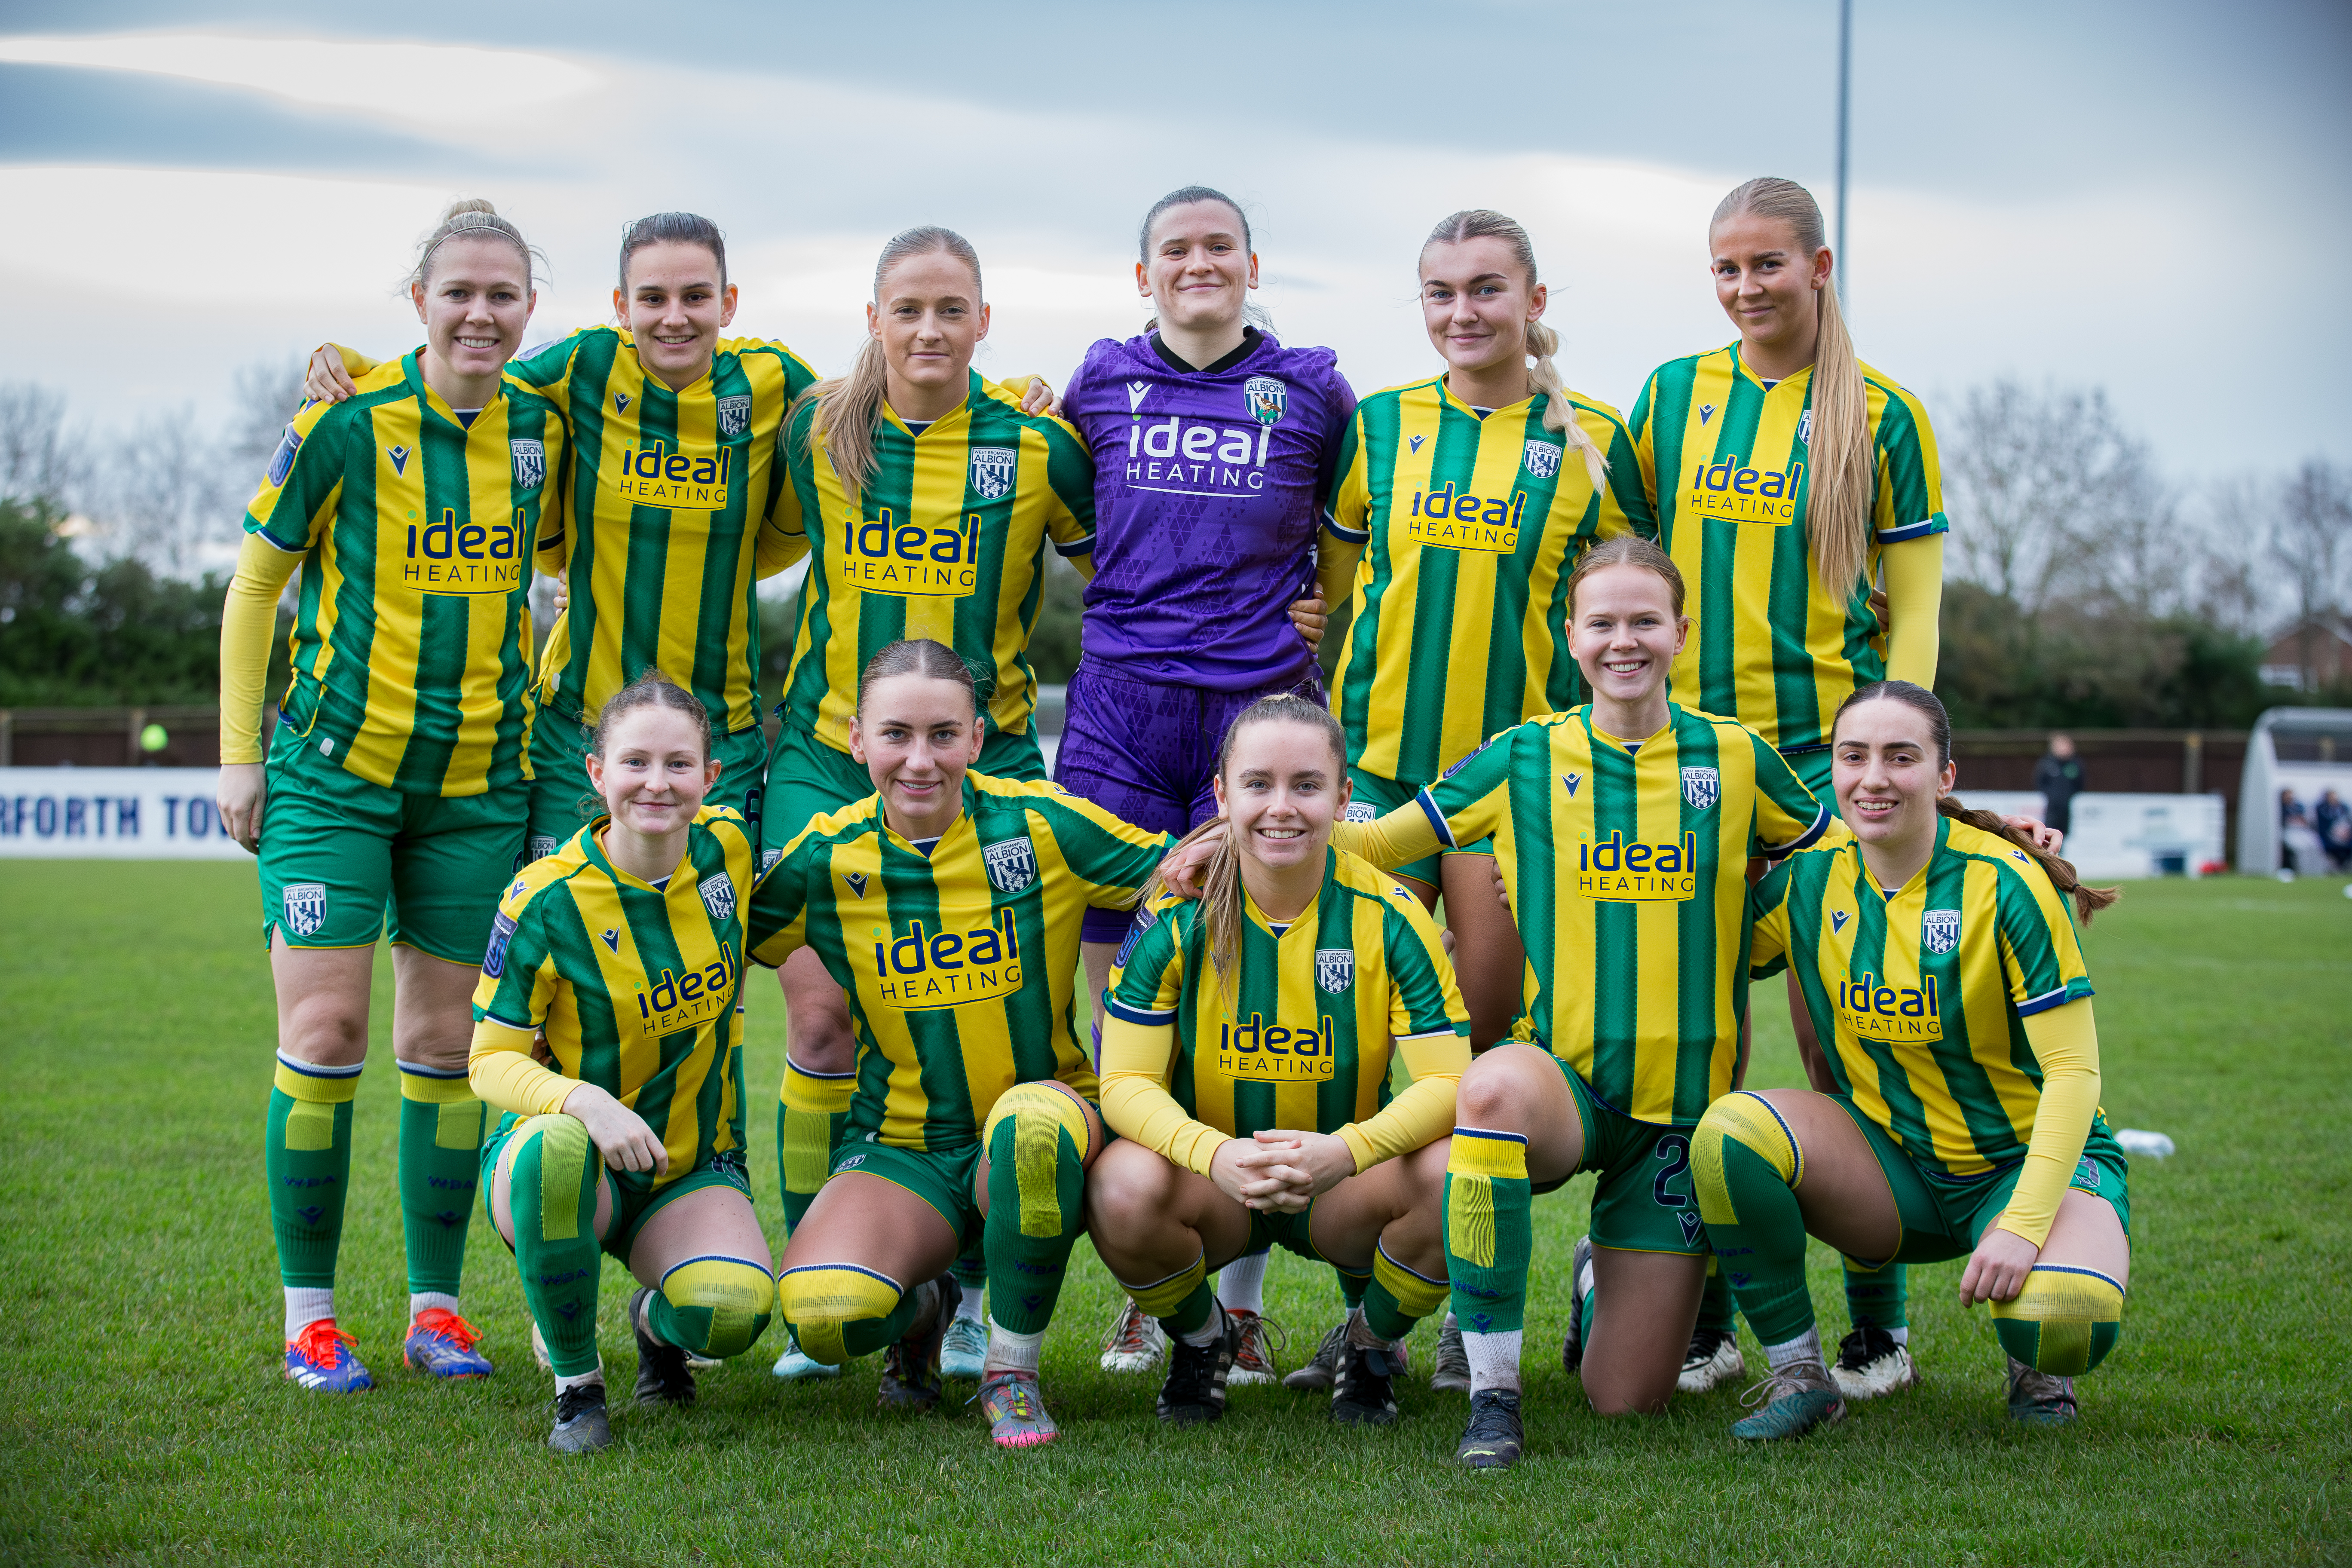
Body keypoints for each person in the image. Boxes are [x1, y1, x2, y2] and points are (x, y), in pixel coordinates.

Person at [1241, 537, 1831, 1467]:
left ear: (1682, 633)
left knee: (1622, 1402)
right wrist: (1230, 833)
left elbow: (1840, 861)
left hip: (1678, 1117)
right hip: (1565, 1081)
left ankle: (1601, 1278)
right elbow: (1384, 844)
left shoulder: (1739, 755)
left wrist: (1991, 842)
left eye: (1645, 622)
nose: (1623, 641)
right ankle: (1489, 1394)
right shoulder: (1523, 757)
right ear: (1573, 636)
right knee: (1488, 1095)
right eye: (1603, 623)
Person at [1298, 208, 1654, 1395]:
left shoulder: (1593, 439)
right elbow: (1337, 585)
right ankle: (1368, 1320)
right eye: (1442, 291)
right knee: (1359, 1048)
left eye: (1487, 289)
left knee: (1482, 1052)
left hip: (1511, 794)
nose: (1464, 311)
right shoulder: (1384, 424)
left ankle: (1465, 1303)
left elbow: (1622, 617)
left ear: (1534, 299)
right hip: (1382, 775)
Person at [218, 199, 564, 1392]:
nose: (480, 311)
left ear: (530, 311)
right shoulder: (345, 423)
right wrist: (237, 753)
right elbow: (255, 584)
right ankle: (309, 1317)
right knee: (325, 1036)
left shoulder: (543, 429)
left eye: (503, 294)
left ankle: (435, 1311)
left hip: (478, 790)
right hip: (334, 780)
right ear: (419, 300)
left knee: (443, 1048)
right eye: (458, 290)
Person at [1629, 175, 1951, 1401]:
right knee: (1703, 1039)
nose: (1747, 287)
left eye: (1768, 264)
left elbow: (1913, 606)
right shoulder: (1673, 395)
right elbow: (1621, 565)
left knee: (1842, 1036)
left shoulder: (1884, 413)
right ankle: (1708, 1311)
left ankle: (1879, 1322)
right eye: (1727, 268)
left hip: (1825, 760)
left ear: (1820, 266)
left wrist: (1895, 748)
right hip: (1695, 761)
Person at [760, 227, 1096, 1381]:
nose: (929, 331)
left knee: (1000, 1035)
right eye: (907, 309)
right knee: (820, 1022)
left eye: (952, 309)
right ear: (873, 319)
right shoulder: (816, 428)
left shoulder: (1037, 443)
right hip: (826, 754)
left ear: (986, 322)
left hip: (991, 757)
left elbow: (1132, 571)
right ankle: (831, 1260)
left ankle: (969, 1301)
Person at [1056, 184, 1361, 1388]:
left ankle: (1235, 1308)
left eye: (1217, 247)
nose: (1198, 264)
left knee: (1237, 1002)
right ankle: (1149, 1295)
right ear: (1144, 274)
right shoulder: (1093, 383)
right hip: (1120, 711)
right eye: (1175, 250)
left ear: (1251, 263)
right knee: (1125, 995)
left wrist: (1325, 609)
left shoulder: (1314, 389)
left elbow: (1353, 526)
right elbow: (1062, 509)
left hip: (1256, 716)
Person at [753, 639, 1178, 1448]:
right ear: (856, 740)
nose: (920, 759)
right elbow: (705, 942)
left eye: (943, 734)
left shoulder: (1042, 823)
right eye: (896, 735)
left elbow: (1182, 867)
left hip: (1047, 1119)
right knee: (822, 1319)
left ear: (977, 739)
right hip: (903, 1142)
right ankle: (921, 1310)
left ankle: (1010, 1369)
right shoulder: (822, 856)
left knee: (1027, 1128)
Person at [303, 211, 819, 857]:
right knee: (560, 944)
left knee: (701, 946)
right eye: (652, 299)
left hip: (720, 731)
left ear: (729, 302)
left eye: (696, 297)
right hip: (578, 728)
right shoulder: (585, 364)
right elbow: (464, 377)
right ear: (621, 307)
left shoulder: (775, 380)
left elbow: (871, 412)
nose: (674, 318)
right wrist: (357, 366)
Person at [1692, 679, 2129, 1437]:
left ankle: (2038, 1368)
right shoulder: (1808, 882)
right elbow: (1681, 940)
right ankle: (1801, 1376)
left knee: (2065, 1316)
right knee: (1729, 1134)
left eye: (1901, 757)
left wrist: (2023, 1223)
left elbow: (2074, 1071)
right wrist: (1536, 886)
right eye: (1852, 755)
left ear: (1943, 774)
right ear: (1830, 769)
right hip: (1896, 1173)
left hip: (2022, 1166)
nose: (1873, 777)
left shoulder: (2007, 882)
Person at [1090, 694, 1471, 1427]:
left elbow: (1450, 1083)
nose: (1282, 808)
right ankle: (1203, 1341)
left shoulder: (1393, 916)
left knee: (1459, 1170)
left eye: (1306, 785)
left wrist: (1346, 1149)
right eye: (1258, 784)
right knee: (1120, 1185)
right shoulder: (1177, 913)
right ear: (1224, 793)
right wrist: (1215, 1154)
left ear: (1343, 798)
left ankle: (1367, 1346)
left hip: (1343, 1187)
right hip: (1216, 1186)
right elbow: (1125, 1082)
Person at [469, 670, 775, 1454]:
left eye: (679, 764)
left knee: (733, 1314)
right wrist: (585, 1102)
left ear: (711, 778)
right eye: (635, 762)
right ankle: (577, 1384)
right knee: (554, 1146)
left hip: (688, 1165)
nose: (657, 782)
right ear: (597, 772)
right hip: (569, 1165)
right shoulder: (542, 898)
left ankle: (652, 1322)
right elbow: (488, 1062)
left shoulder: (729, 855)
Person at [2034, 733, 2086, 839]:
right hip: (2052, 808)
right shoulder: (2047, 763)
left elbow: (2080, 784)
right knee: (2048, 835)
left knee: (2064, 838)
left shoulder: (2075, 764)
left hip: (2068, 807)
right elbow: (2040, 782)